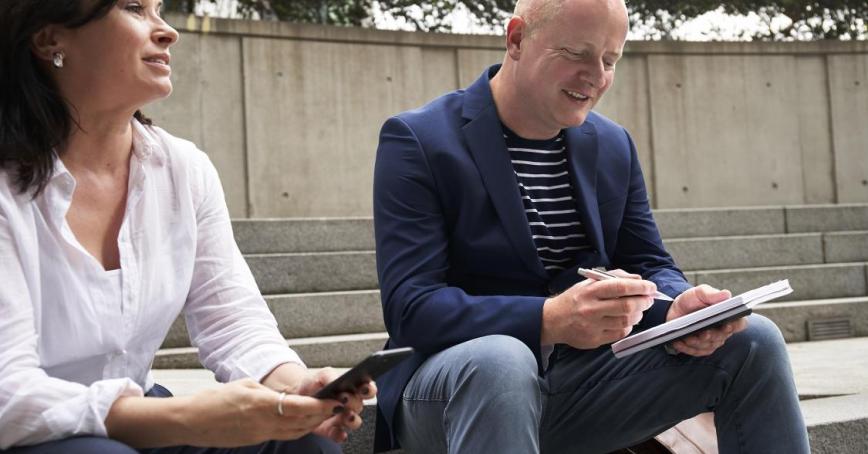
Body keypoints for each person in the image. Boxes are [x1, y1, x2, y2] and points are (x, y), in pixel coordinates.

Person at [371, 0, 810, 452]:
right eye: (577, 54)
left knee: (755, 339)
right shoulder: (418, 139)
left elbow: (648, 261)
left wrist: (679, 306)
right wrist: (547, 320)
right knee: (501, 358)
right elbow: (411, 308)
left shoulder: (612, 143)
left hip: (581, 385)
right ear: (517, 38)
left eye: (609, 60)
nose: (597, 76)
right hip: (450, 392)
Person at [0, 1, 375, 452]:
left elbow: (233, 321)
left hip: (136, 410)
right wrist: (185, 418)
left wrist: (298, 386)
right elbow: (9, 392)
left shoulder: (183, 169)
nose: (166, 32)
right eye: (134, 8)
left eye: (161, 9)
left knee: (305, 445)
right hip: (26, 426)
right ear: (49, 38)